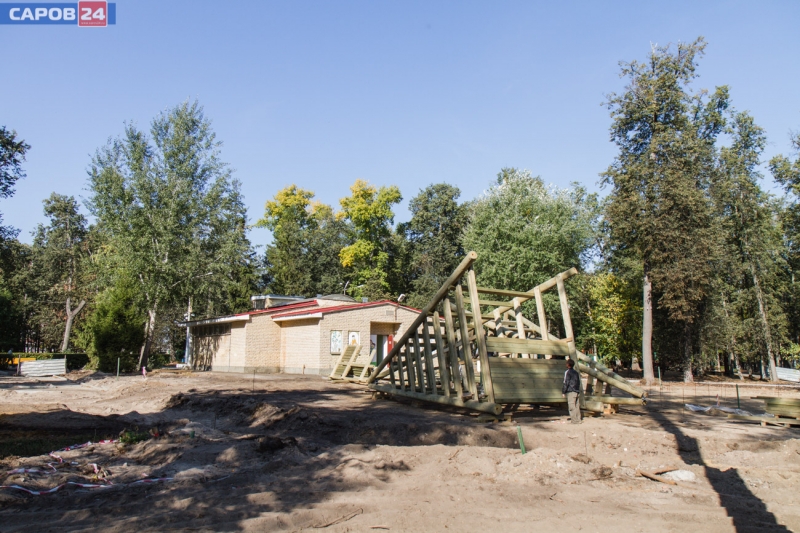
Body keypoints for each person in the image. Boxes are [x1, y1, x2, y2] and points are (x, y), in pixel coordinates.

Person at [562, 358, 582, 424]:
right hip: (576, 390)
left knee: (571, 406)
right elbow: (578, 382)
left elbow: (566, 382)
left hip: (571, 391)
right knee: (577, 406)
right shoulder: (576, 372)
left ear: (568, 364)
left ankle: (574, 420)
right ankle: (578, 419)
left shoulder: (567, 372)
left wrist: (563, 391)